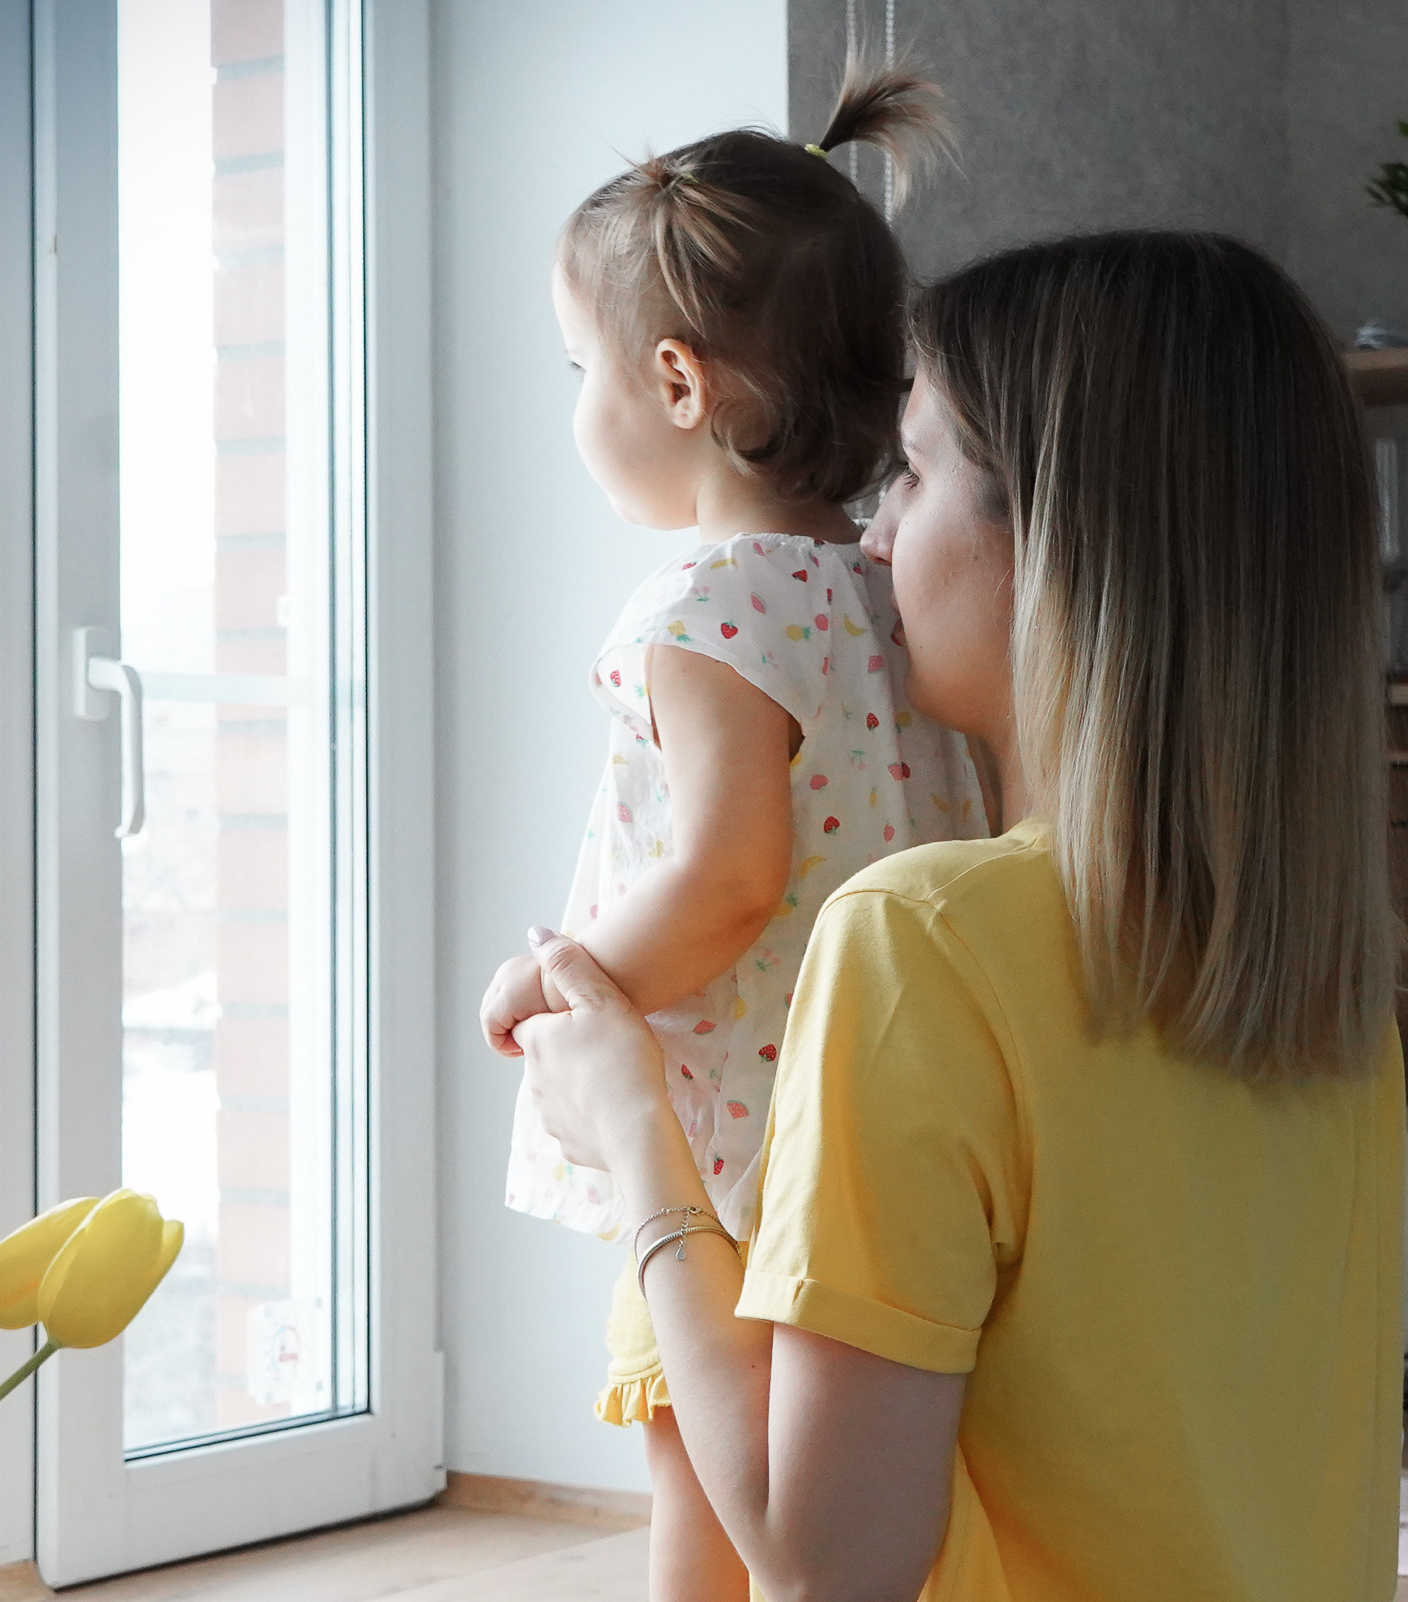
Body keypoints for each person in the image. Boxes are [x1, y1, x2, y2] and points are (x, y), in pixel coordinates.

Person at [514, 231, 1405, 1602]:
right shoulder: (1324, 970)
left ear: (1054, 541)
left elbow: (825, 1567)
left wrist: (632, 1124)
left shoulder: (926, 937)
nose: (871, 535)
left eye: (915, 471)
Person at [475, 55, 986, 1602]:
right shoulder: (897, 591)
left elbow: (724, 868)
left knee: (697, 1453)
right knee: (847, 1465)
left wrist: (564, 980)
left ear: (680, 386)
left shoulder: (703, 606)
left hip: (724, 1149)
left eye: (583, 369)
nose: (580, 404)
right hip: (882, 1120)